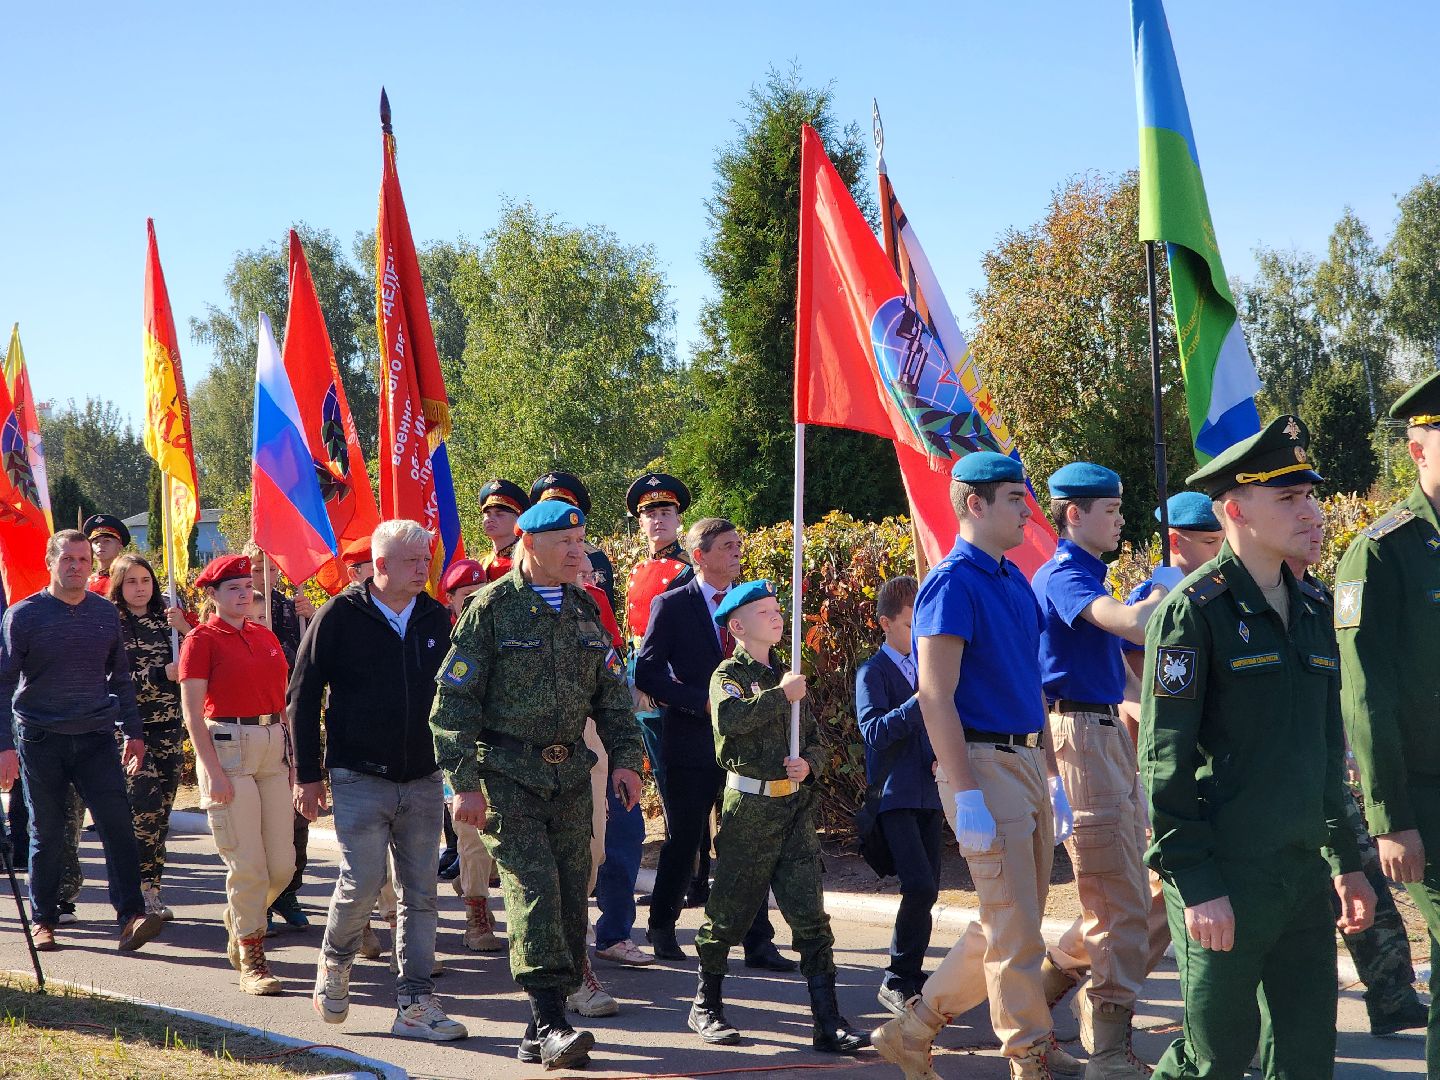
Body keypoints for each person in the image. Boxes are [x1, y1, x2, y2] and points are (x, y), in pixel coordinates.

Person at [1142, 414, 1373, 1079]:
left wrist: (1347, 861)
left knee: (1305, 1058)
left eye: (1310, 495)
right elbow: (1164, 763)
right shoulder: (1194, 613)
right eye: (1289, 497)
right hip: (1226, 875)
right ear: (1236, 510)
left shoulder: (1313, 608)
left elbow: (1324, 753)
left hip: (1300, 875)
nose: (1311, 511)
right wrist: (1197, 883)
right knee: (1214, 1058)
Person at [873, 452, 1076, 1080]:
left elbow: (1030, 685)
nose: (1027, 510)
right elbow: (935, 695)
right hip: (982, 762)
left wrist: (1050, 773)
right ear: (975, 504)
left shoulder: (1012, 579)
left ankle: (912, 1030)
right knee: (1014, 927)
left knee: (1007, 921)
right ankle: (1028, 1053)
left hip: (1023, 759)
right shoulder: (951, 582)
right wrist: (965, 793)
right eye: (1015, 498)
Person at [430, 498, 644, 1069]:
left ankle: (537, 1027)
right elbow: (452, 704)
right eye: (564, 543)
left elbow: (612, 696)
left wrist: (627, 760)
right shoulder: (490, 609)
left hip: (569, 774)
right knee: (535, 891)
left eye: (580, 541)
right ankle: (551, 1022)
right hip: (507, 775)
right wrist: (463, 783)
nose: (578, 552)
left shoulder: (584, 608)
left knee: (573, 892)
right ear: (529, 543)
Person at [292, 519, 467, 1042]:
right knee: (363, 881)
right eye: (413, 561)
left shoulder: (436, 617)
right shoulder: (339, 615)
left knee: (422, 892)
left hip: (423, 777)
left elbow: (458, 696)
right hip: (358, 774)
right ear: (382, 565)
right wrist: (308, 775)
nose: (423, 569)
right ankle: (335, 960)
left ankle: (415, 1002)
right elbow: (303, 696)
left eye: (426, 559)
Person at [1032, 462, 1173, 1080]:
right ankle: (1108, 1052)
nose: (1120, 520)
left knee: (1130, 888)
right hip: (1080, 734)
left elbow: (1129, 671)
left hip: (1105, 731)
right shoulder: (1064, 574)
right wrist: (1160, 599)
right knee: (1116, 896)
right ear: (1074, 514)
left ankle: (1037, 1008)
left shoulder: (1092, 574)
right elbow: (1128, 624)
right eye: (1110, 510)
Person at [688, 580, 867, 1053]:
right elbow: (728, 721)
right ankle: (706, 1004)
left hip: (794, 809)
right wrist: (779, 697)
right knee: (728, 914)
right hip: (750, 810)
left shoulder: (790, 676)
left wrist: (809, 764)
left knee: (811, 918)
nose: (775, 617)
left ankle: (827, 1020)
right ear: (737, 626)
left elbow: (817, 740)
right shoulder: (729, 675)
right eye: (763, 611)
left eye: (776, 609)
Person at [1286, 521, 1429, 1040]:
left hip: (1324, 768)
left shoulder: (1318, 598)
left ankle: (1392, 997)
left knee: (1360, 876)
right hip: (1271, 778)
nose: (1314, 526)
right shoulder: (1236, 602)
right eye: (1294, 508)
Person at [1336, 369, 1440, 1072]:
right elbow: (1365, 697)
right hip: (1425, 798)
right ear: (1416, 450)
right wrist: (1391, 819)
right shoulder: (1381, 551)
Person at [0, 529, 166, 954]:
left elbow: (120, 677)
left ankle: (131, 917)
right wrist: (4, 747)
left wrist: (134, 732)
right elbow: (3, 685)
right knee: (48, 832)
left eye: (83, 560)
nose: (76, 567)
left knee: (118, 825)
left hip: (96, 737)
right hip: (40, 738)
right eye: (67, 559)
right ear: (50, 563)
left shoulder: (104, 613)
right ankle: (44, 919)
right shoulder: (23, 615)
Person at [635, 517, 791, 970]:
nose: (737, 552)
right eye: (726, 546)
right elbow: (648, 673)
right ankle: (662, 926)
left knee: (745, 840)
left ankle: (758, 941)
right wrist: (700, 702)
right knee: (685, 838)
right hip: (692, 741)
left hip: (745, 745)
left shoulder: (752, 603)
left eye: (739, 545)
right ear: (699, 556)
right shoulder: (672, 605)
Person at [179, 554, 296, 995]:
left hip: (271, 746)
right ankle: (252, 957)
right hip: (228, 749)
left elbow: (282, 704)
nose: (245, 595)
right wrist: (212, 772)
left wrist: (292, 761)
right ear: (212, 595)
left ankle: (240, 916)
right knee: (248, 865)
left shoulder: (264, 635)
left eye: (248, 587)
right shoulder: (201, 640)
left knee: (282, 867)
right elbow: (193, 715)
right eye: (233, 588)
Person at [857, 575, 943, 1018]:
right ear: (886, 623)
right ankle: (895, 976)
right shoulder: (872, 672)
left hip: (930, 794)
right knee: (918, 885)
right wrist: (919, 701)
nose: (919, 633)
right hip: (895, 795)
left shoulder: (929, 667)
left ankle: (911, 971)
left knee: (929, 890)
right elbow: (873, 730)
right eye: (911, 624)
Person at [108, 552, 192, 920]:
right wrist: (159, 674)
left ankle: (153, 889)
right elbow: (111, 681)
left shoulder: (167, 620)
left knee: (162, 815)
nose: (140, 588)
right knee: (145, 808)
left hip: (169, 728)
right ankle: (137, 891)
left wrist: (186, 629)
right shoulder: (110, 623)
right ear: (118, 585)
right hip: (130, 730)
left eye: (145, 580)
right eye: (131, 581)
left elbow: (201, 658)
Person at [244, 544, 316, 931]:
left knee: (295, 817)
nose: (263, 576)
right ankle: (262, 900)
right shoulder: (237, 612)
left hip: (287, 720)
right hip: (250, 726)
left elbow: (306, 662)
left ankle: (288, 891)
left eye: (270, 569)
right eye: (256, 568)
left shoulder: (291, 608)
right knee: (256, 821)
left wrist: (311, 617)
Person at [438, 557, 504, 954]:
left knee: (500, 838)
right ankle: (476, 915)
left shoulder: (504, 630)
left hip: (504, 752)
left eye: (483, 593)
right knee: (472, 835)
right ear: (450, 600)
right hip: (462, 752)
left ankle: (468, 880)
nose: (477, 601)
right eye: (468, 596)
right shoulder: (441, 639)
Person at [624, 472, 695, 808]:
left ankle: (688, 836)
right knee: (659, 765)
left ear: (679, 520)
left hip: (674, 675)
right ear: (640, 523)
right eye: (650, 514)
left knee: (681, 770)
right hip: (642, 673)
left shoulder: (688, 570)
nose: (658, 520)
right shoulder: (637, 570)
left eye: (666, 513)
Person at [478, 479, 528, 581]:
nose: (490, 519)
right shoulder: (482, 564)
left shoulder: (527, 561)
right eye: (487, 514)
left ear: (518, 520)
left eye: (499, 514)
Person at [83, 513, 131, 595]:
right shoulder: (86, 582)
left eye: (107, 541)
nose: (100, 544)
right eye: (96, 542)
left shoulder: (128, 578)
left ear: (119, 547)